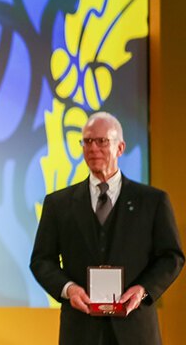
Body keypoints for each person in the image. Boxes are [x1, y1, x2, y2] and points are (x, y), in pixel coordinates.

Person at [30, 111, 184, 345]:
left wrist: (143, 289)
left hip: (135, 330)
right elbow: (42, 260)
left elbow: (171, 256)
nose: (93, 148)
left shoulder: (153, 201)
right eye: (87, 141)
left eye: (102, 141)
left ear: (120, 148)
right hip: (80, 331)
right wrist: (68, 289)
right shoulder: (58, 204)